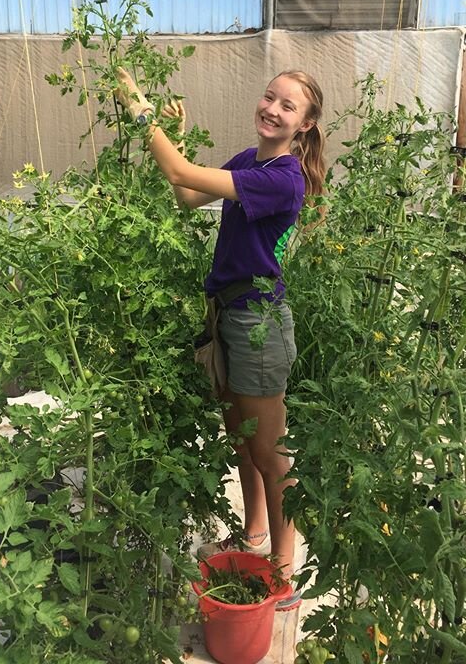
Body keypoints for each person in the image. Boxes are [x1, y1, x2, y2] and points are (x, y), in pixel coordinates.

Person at [115, 67, 326, 611]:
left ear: (303, 126)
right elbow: (186, 192)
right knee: (240, 436)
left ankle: (285, 565)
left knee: (270, 452)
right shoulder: (248, 162)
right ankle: (255, 530)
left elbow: (180, 171)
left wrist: (141, 115)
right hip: (229, 315)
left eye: (288, 106)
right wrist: (172, 135)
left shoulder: (284, 177)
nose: (273, 109)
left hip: (259, 325)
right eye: (269, 97)